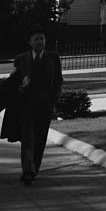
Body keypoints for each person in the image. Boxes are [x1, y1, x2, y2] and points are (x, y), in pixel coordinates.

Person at [12, 26, 63, 185]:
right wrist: (21, 86)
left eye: (42, 38)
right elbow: (12, 82)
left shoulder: (53, 58)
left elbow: (58, 81)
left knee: (40, 140)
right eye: (37, 39)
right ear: (30, 42)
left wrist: (53, 102)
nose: (40, 42)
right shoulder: (21, 59)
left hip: (45, 106)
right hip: (26, 106)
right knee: (27, 139)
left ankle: (35, 167)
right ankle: (27, 170)